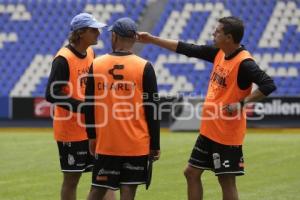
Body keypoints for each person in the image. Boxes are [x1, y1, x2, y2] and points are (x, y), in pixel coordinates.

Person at [137, 16, 276, 200]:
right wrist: (152, 39)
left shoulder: (244, 63)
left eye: (217, 31)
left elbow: (268, 84)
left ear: (229, 37)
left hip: (227, 134)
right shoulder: (219, 52)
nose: (213, 33)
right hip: (209, 131)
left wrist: (240, 104)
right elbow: (187, 48)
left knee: (226, 181)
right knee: (191, 173)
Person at [85, 17, 160, 200]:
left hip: (107, 142)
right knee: (128, 192)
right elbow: (153, 109)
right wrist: (155, 144)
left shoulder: (96, 65)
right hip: (136, 144)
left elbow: (89, 106)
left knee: (97, 190)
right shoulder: (145, 67)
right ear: (134, 39)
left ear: (115, 37)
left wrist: (92, 136)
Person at [45, 13, 115, 200]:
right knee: (72, 179)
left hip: (92, 127)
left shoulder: (91, 53)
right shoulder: (63, 58)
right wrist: (84, 107)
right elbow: (52, 93)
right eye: (93, 30)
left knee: (104, 177)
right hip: (70, 130)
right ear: (81, 33)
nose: (98, 33)